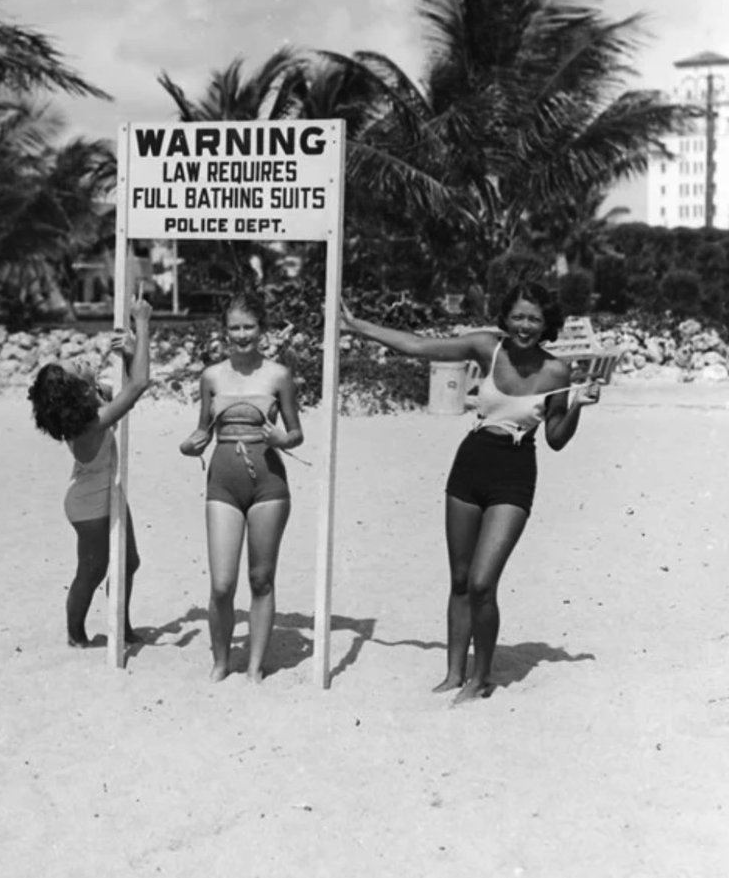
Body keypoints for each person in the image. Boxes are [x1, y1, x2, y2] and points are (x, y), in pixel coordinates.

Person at [341, 282, 601, 704]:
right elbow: (418, 346)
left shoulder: (557, 372)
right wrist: (357, 326)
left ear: (547, 323)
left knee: (483, 582)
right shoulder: (486, 348)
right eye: (518, 316)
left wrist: (576, 408)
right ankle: (454, 672)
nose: (524, 326)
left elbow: (555, 438)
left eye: (534, 318)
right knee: (460, 580)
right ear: (506, 316)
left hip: (514, 474)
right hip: (470, 464)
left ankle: (482, 679)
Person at [179, 292, 303, 683]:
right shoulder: (212, 376)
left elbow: (296, 432)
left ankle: (254, 666)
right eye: (235, 327)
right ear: (224, 331)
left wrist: (283, 440)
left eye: (249, 326)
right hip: (223, 481)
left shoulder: (279, 375)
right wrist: (189, 444)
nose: (242, 334)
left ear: (261, 330)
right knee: (221, 583)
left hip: (269, 482)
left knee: (261, 579)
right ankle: (220, 661)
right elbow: (202, 429)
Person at [28, 296, 154, 648]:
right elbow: (139, 385)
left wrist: (130, 352)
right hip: (88, 504)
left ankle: (121, 626)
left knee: (129, 562)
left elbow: (132, 383)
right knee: (93, 570)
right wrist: (143, 324)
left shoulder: (96, 398)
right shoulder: (89, 423)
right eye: (75, 366)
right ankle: (75, 635)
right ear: (75, 389)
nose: (81, 359)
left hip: (105, 490)